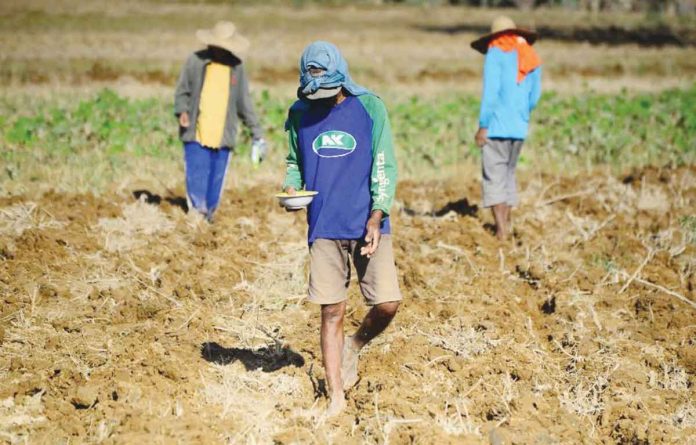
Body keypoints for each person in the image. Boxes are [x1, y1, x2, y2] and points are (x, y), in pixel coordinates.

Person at [282, 41, 401, 417]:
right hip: (323, 224)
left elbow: (384, 163)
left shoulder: (369, 107)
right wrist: (290, 185)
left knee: (387, 303)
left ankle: (356, 343)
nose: (322, 98)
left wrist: (377, 214)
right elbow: (293, 162)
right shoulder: (299, 113)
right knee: (331, 310)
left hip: (368, 222)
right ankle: (335, 395)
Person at [174, 21, 267, 222]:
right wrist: (182, 111)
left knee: (216, 179)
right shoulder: (195, 61)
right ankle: (197, 213)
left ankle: (208, 214)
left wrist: (256, 132)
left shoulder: (237, 68)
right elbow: (182, 90)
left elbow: (244, 103)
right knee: (197, 173)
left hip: (223, 134)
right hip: (196, 131)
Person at [471, 16, 542, 240]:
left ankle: (501, 230)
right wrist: (521, 115)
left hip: (497, 126)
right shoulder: (528, 54)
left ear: (494, 37)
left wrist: (484, 125)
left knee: (494, 176)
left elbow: (491, 93)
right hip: (519, 127)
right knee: (509, 174)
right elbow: (535, 96)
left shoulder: (495, 54)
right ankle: (506, 226)